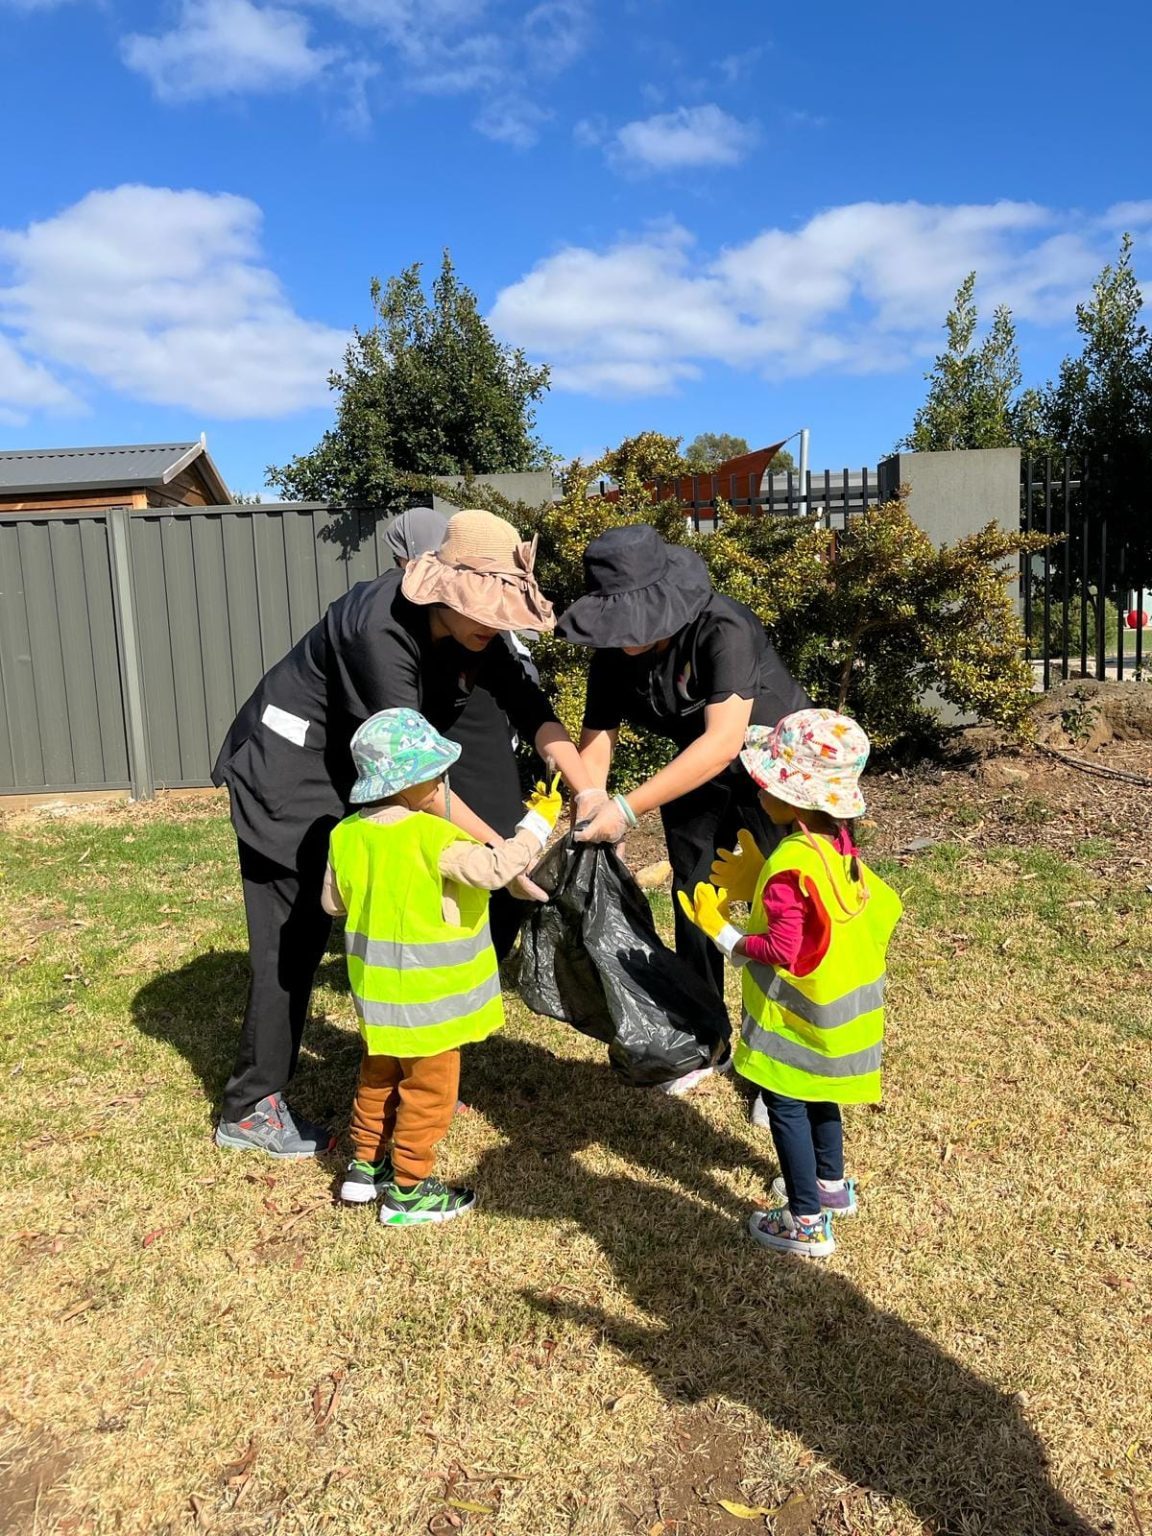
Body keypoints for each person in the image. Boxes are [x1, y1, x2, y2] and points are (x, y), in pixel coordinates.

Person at [211, 510, 604, 1158]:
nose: (494, 625)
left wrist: (587, 789)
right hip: (288, 773)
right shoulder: (379, 629)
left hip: (356, 769)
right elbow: (415, 782)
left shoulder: (479, 629)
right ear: (444, 589)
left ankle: (402, 1047)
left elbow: (533, 713)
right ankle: (250, 1106)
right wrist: (503, 853)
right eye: (485, 610)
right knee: (295, 935)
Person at [559, 523, 810, 1095]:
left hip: (773, 774)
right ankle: (708, 1037)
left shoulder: (725, 628)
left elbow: (724, 741)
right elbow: (598, 734)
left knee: (781, 905)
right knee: (697, 900)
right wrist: (593, 798)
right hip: (694, 772)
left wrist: (628, 809)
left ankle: (780, 1064)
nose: (622, 639)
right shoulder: (613, 651)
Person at [321, 707, 563, 1225]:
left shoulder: (345, 836)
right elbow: (495, 870)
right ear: (411, 785)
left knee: (377, 1078)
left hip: (377, 998)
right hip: (431, 1005)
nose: (442, 783)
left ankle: (364, 1169)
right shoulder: (435, 839)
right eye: (435, 775)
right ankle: (408, 1190)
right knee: (429, 1093)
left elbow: (332, 905)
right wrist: (536, 825)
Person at [678, 709, 903, 1257]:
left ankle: (805, 1219)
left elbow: (781, 949)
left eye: (767, 782)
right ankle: (831, 1186)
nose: (757, 790)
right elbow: (826, 912)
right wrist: (759, 877)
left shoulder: (788, 867)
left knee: (785, 1103)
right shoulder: (837, 846)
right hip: (839, 1022)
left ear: (796, 800)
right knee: (821, 1096)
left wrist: (722, 932)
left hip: (794, 1021)